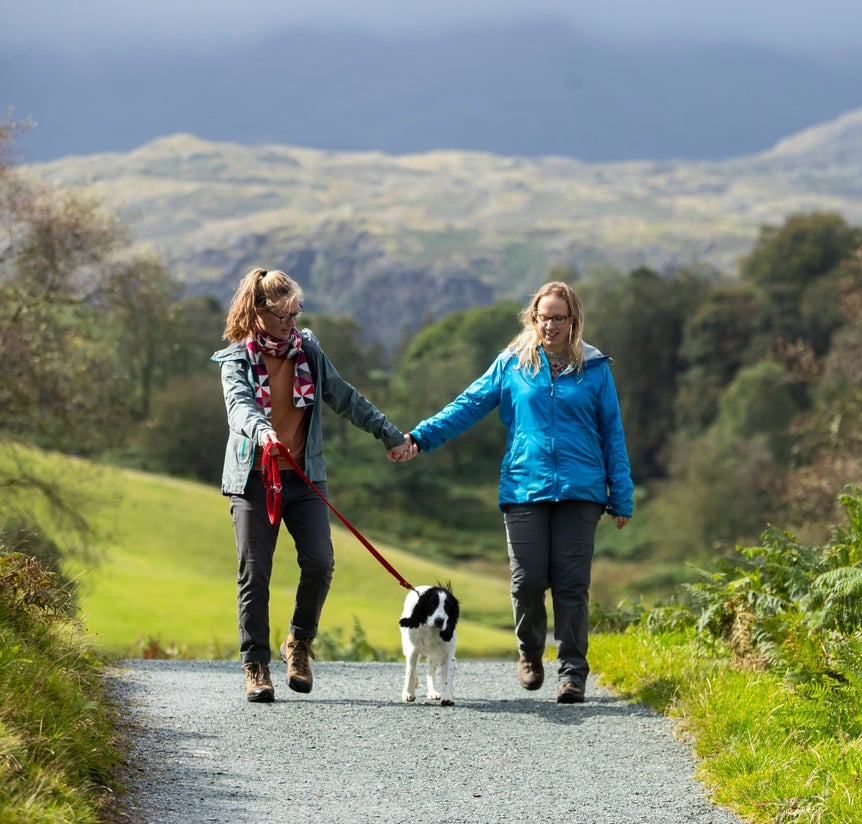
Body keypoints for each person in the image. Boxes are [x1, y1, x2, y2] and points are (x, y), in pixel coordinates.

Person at [406, 281, 633, 704]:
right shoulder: (512, 364)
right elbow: (467, 405)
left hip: (581, 491)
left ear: (573, 321)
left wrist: (621, 494)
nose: (549, 325)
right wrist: (420, 438)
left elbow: (612, 434)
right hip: (524, 487)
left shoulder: (596, 369)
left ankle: (572, 674)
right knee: (527, 581)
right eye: (542, 317)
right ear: (533, 318)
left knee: (570, 585)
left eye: (558, 318)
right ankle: (530, 653)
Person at [213, 267, 417, 703]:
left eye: (296, 313)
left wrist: (390, 434)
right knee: (256, 573)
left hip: (304, 477)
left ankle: (298, 644)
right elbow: (239, 407)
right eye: (283, 316)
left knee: (321, 563)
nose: (291, 323)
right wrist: (262, 432)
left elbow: (344, 396)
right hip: (254, 479)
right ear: (259, 311)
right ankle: (256, 664)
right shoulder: (235, 359)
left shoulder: (307, 351)